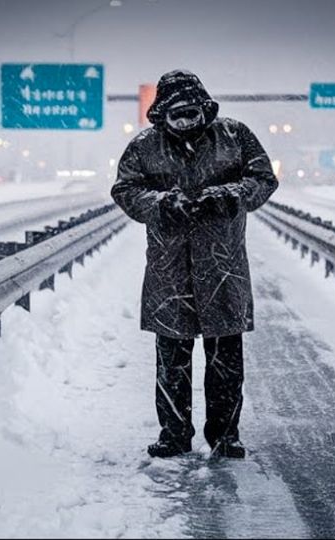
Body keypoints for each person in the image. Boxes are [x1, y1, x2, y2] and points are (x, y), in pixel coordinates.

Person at [110, 69, 278, 459]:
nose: (185, 122)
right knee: (172, 361)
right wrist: (163, 203)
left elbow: (263, 179)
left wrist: (230, 195)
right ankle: (173, 434)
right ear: (161, 114)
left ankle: (225, 435)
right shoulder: (143, 147)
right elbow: (125, 189)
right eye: (177, 115)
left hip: (223, 267)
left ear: (205, 108)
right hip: (170, 269)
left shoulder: (235, 135)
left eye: (191, 114)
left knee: (226, 362)